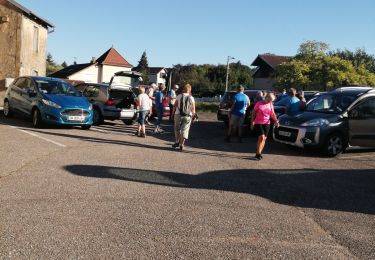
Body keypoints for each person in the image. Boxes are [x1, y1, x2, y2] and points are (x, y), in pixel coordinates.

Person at [251, 92, 280, 160]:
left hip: (267, 123)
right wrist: (252, 121)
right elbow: (253, 112)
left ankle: (259, 153)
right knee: (261, 137)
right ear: (266, 97)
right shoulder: (259, 103)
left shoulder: (270, 104)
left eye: (271, 101)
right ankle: (258, 154)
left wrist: (276, 121)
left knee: (264, 139)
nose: (269, 102)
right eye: (269, 100)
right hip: (258, 122)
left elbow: (272, 113)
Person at [172, 84, 196, 151]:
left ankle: (177, 142)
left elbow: (175, 106)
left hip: (178, 114)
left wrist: (173, 114)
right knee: (185, 130)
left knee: (177, 128)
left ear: (183, 89)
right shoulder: (191, 98)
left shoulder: (179, 96)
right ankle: (182, 144)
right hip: (187, 115)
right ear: (189, 90)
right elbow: (193, 109)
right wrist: (194, 116)